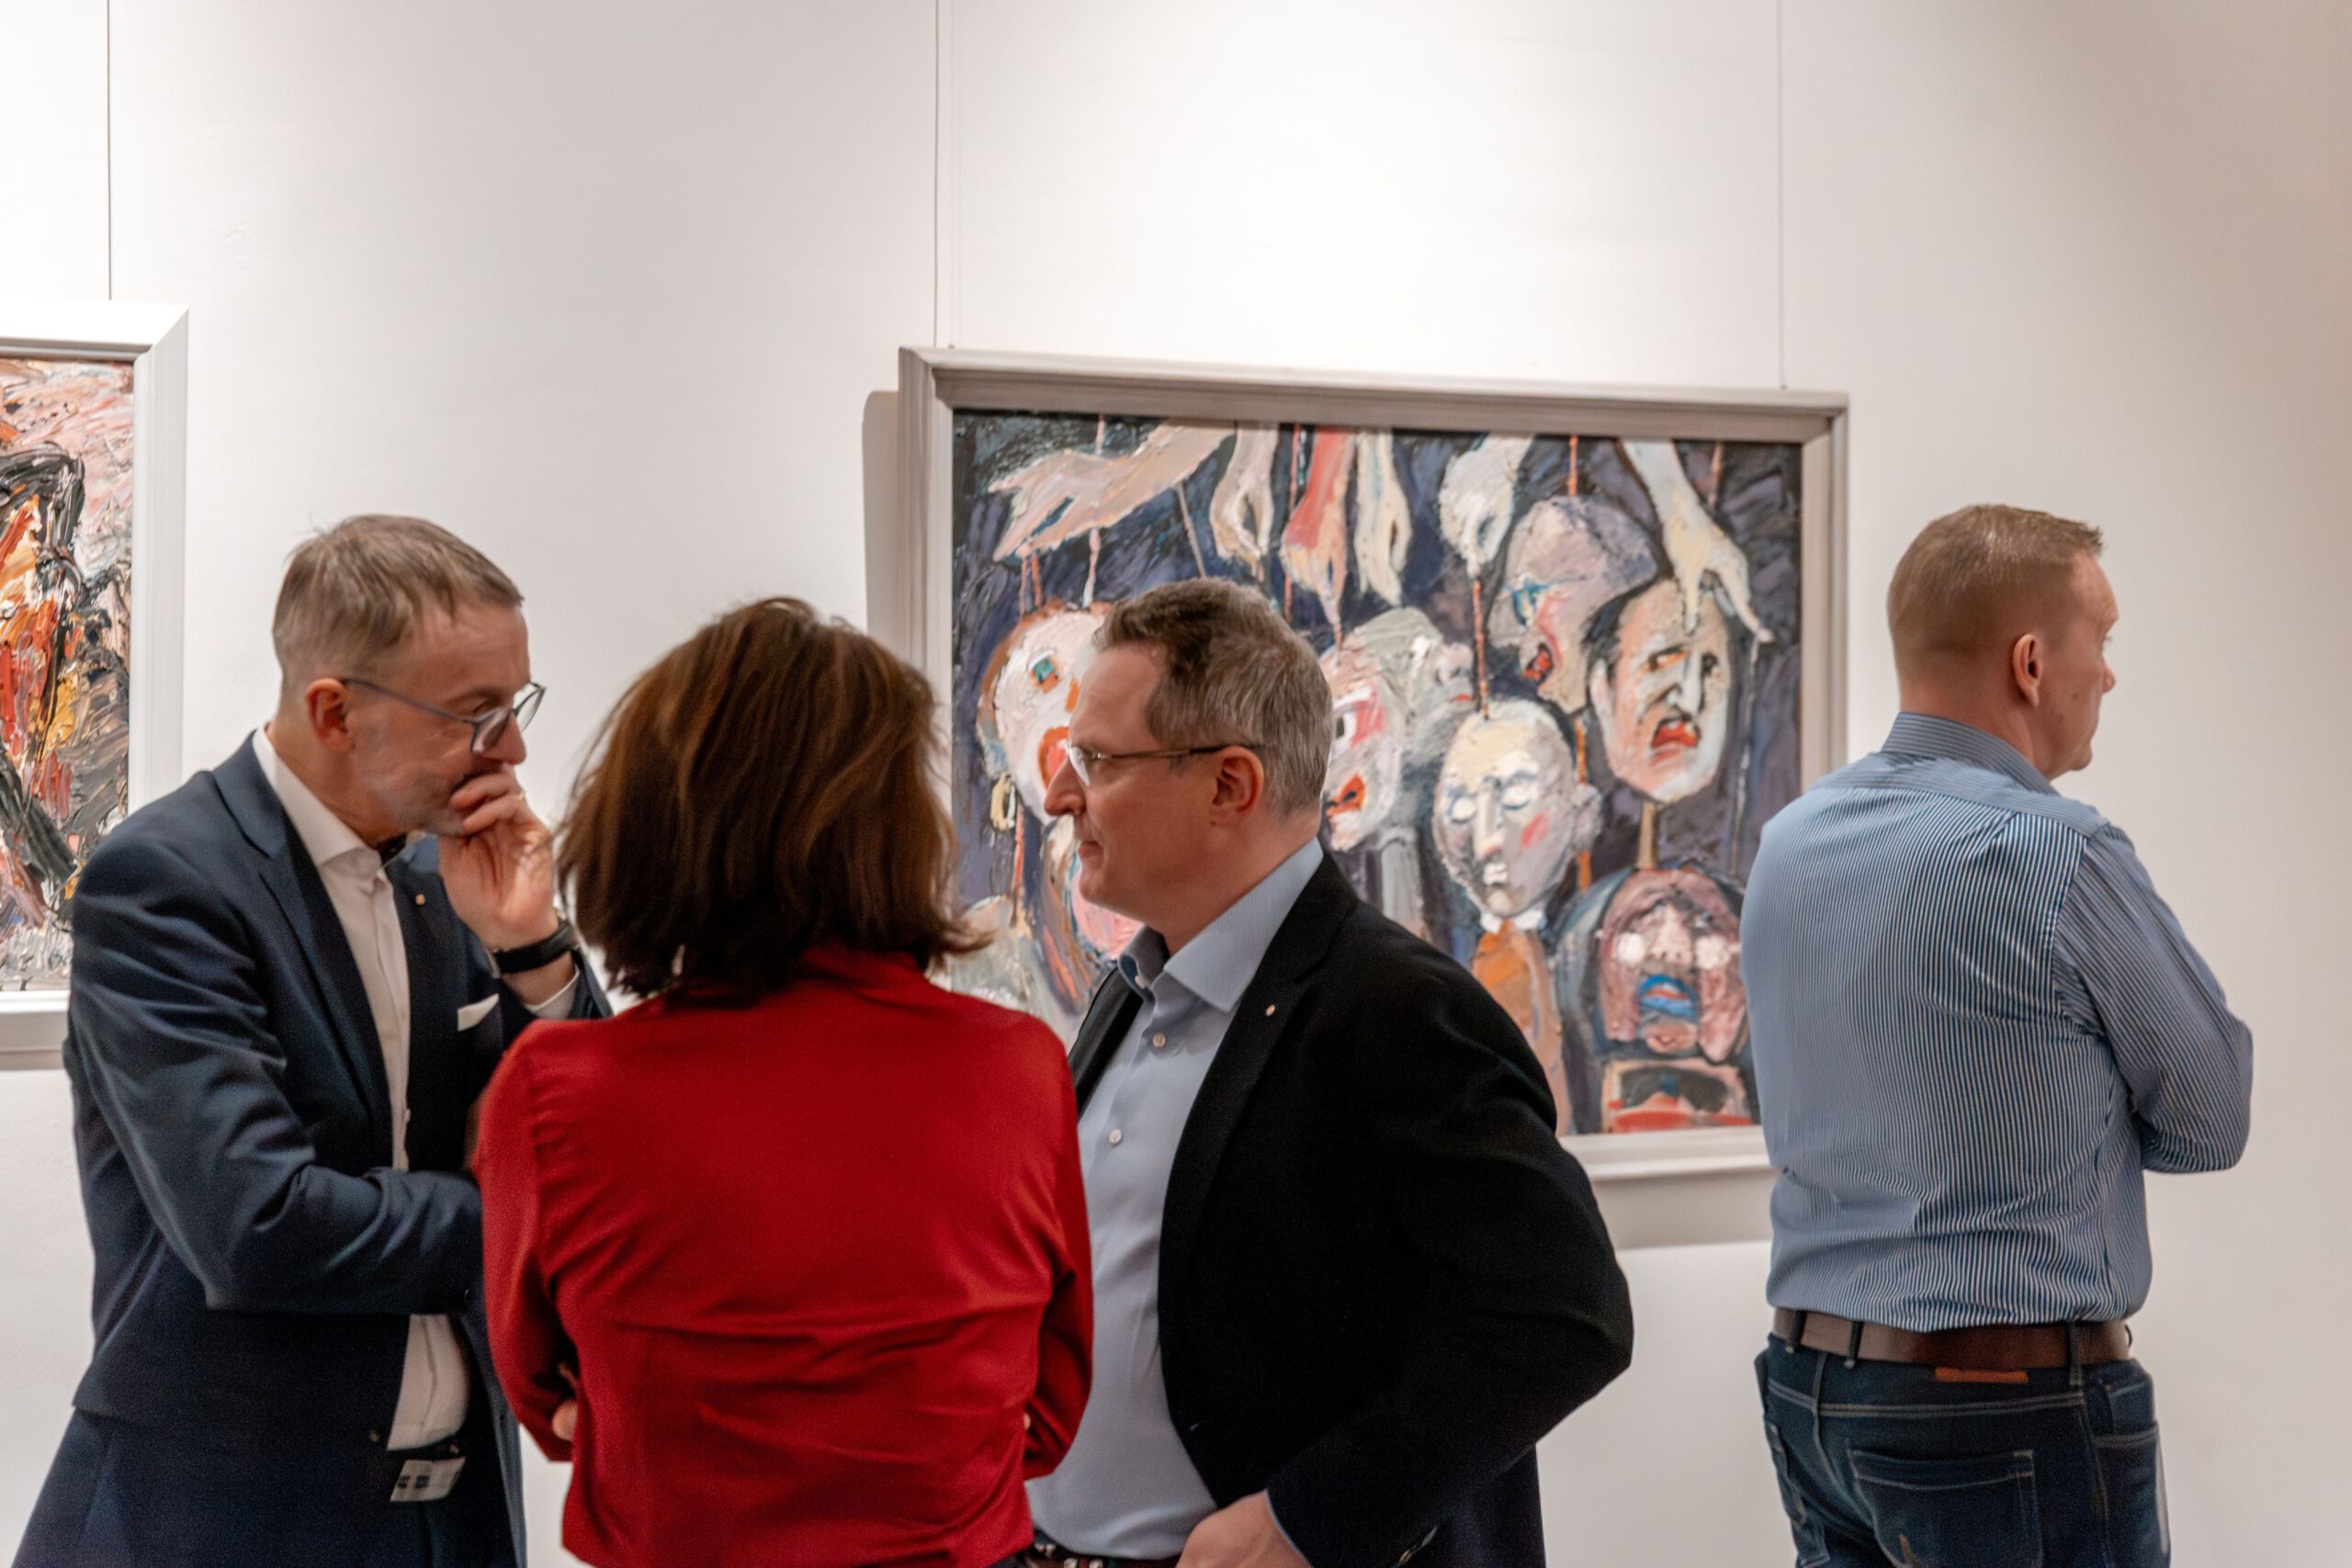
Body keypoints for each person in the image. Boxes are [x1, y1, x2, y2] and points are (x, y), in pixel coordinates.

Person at [16, 515, 606, 1568]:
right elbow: (261, 1225)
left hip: (455, 1520)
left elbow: (597, 1144)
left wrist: (531, 948)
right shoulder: (165, 883)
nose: (512, 751)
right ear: (334, 711)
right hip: (223, 1524)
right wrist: (525, 1211)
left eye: (516, 707)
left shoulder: (448, 870)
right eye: (476, 716)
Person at [1022, 578, 1634, 1568]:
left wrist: (1310, 1517)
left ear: (1229, 785)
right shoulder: (1130, 988)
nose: (1058, 793)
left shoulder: (1400, 1011)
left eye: (1095, 760)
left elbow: (1565, 1316)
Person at [475, 598, 1091, 1568]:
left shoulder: (557, 1093)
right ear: (897, 828)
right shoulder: (1014, 1068)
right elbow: (1049, 1412)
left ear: (649, 819)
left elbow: (547, 1400)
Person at [1744, 505, 2253, 1568]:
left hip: (1810, 1393)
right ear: (2029, 663)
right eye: (2099, 640)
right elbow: (2210, 1119)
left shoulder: (1787, 846)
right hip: (2002, 1404)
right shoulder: (2057, 852)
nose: (2106, 674)